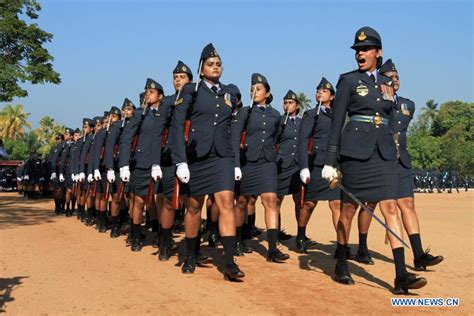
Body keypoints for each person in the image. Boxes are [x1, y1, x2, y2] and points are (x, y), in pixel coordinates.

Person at [321, 26, 427, 294]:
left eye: (366, 49)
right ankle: (342, 261)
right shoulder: (347, 81)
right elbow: (336, 122)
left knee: (390, 208)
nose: (360, 53)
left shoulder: (387, 84)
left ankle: (401, 274)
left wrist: (395, 153)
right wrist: (329, 161)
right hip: (355, 154)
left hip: (383, 154)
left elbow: (392, 122)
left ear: (378, 53)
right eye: (358, 50)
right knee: (348, 210)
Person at [171, 43, 244, 279]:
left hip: (222, 156)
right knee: (193, 207)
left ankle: (230, 262)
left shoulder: (229, 93)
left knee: (226, 202)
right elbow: (177, 125)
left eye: (218, 64)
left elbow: (232, 130)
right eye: (210, 64)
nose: (215, 67)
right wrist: (180, 161)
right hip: (196, 157)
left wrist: (235, 162)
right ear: (201, 68)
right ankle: (191, 255)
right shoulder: (190, 91)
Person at [233, 73, 289, 262]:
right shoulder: (245, 112)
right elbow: (234, 138)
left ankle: (272, 249)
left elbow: (278, 137)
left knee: (270, 200)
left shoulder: (275, 115)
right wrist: (235, 164)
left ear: (267, 93)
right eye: (251, 90)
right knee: (242, 202)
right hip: (247, 162)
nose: (254, 92)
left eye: (258, 89)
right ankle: (239, 240)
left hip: (267, 162)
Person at [298, 78, 356, 257]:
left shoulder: (338, 115)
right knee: (309, 204)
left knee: (336, 204)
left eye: (323, 91)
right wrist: (303, 166)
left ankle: (341, 244)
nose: (319, 93)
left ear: (332, 96)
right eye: (318, 91)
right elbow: (303, 140)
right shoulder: (311, 114)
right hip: (317, 164)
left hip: (335, 164)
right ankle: (301, 236)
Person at [119, 78, 167, 251]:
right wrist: (124, 164)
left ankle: (161, 235)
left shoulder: (166, 113)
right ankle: (136, 236)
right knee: (139, 201)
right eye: (146, 92)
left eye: (151, 92)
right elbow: (126, 139)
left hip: (162, 162)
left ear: (160, 96)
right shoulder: (140, 114)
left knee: (160, 202)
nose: (148, 94)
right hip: (142, 163)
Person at [104, 99, 135, 238]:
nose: (127, 111)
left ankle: (129, 225)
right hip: (117, 166)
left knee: (131, 198)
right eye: (125, 109)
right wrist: (110, 167)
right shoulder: (116, 126)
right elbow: (110, 147)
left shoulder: (136, 124)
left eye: (129, 109)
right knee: (116, 197)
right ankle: (116, 225)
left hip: (133, 165)